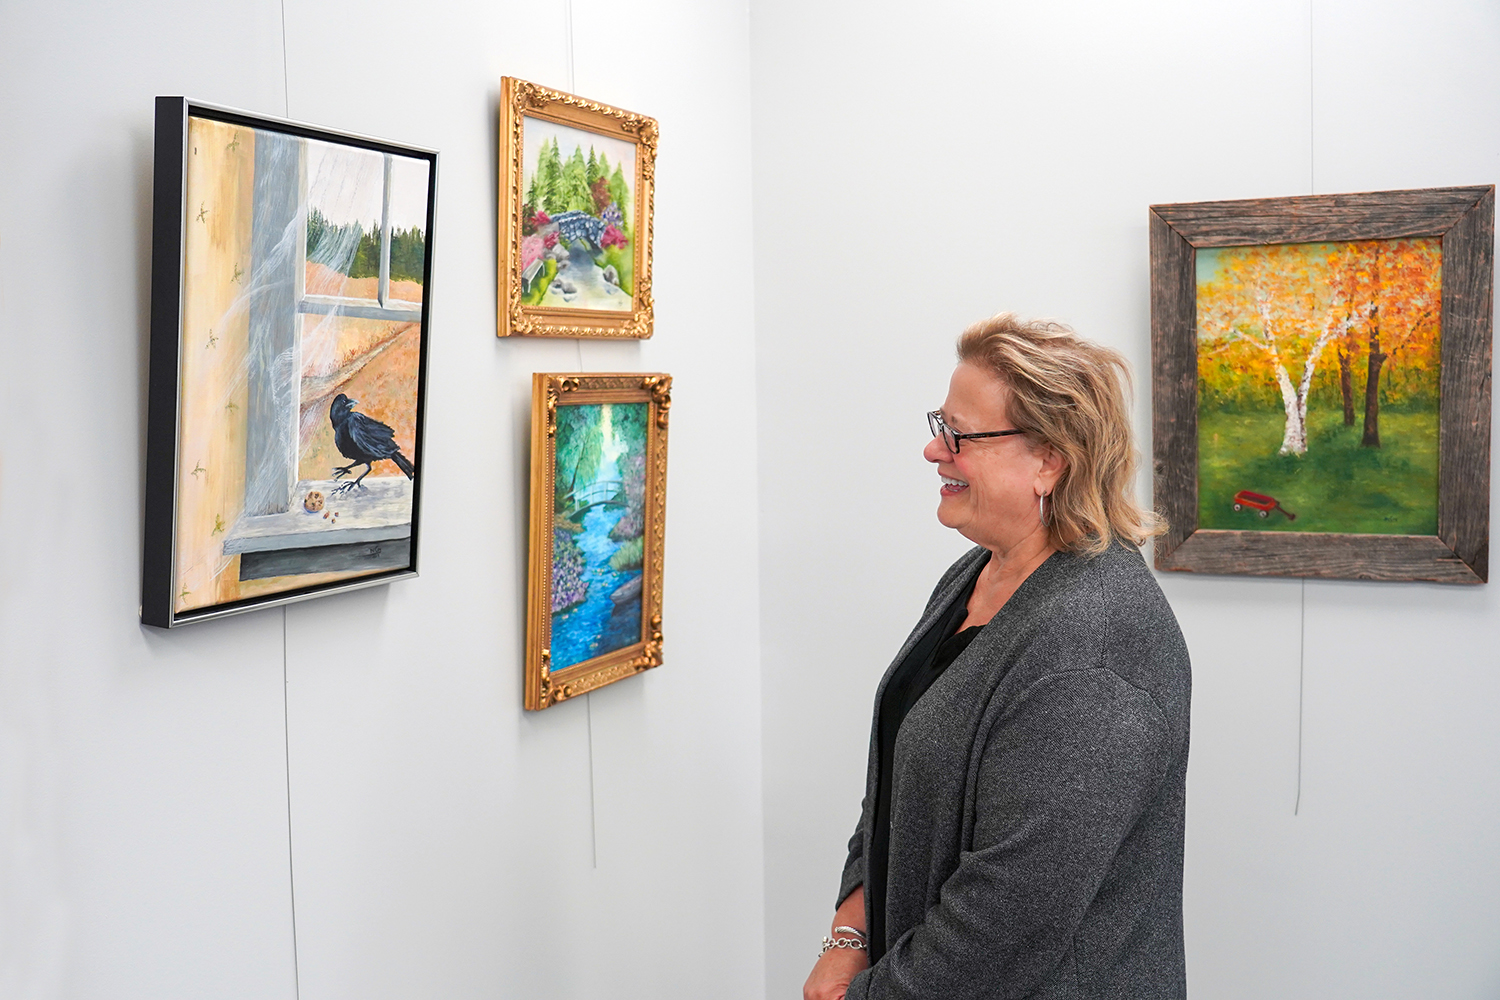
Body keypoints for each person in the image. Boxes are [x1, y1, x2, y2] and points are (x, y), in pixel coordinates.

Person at [803, 314, 1191, 1000]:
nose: (933, 451)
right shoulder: (977, 575)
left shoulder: (1093, 650)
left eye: (960, 434)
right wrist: (848, 936)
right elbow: (898, 782)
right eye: (938, 423)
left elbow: (1004, 923)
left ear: (1050, 458)